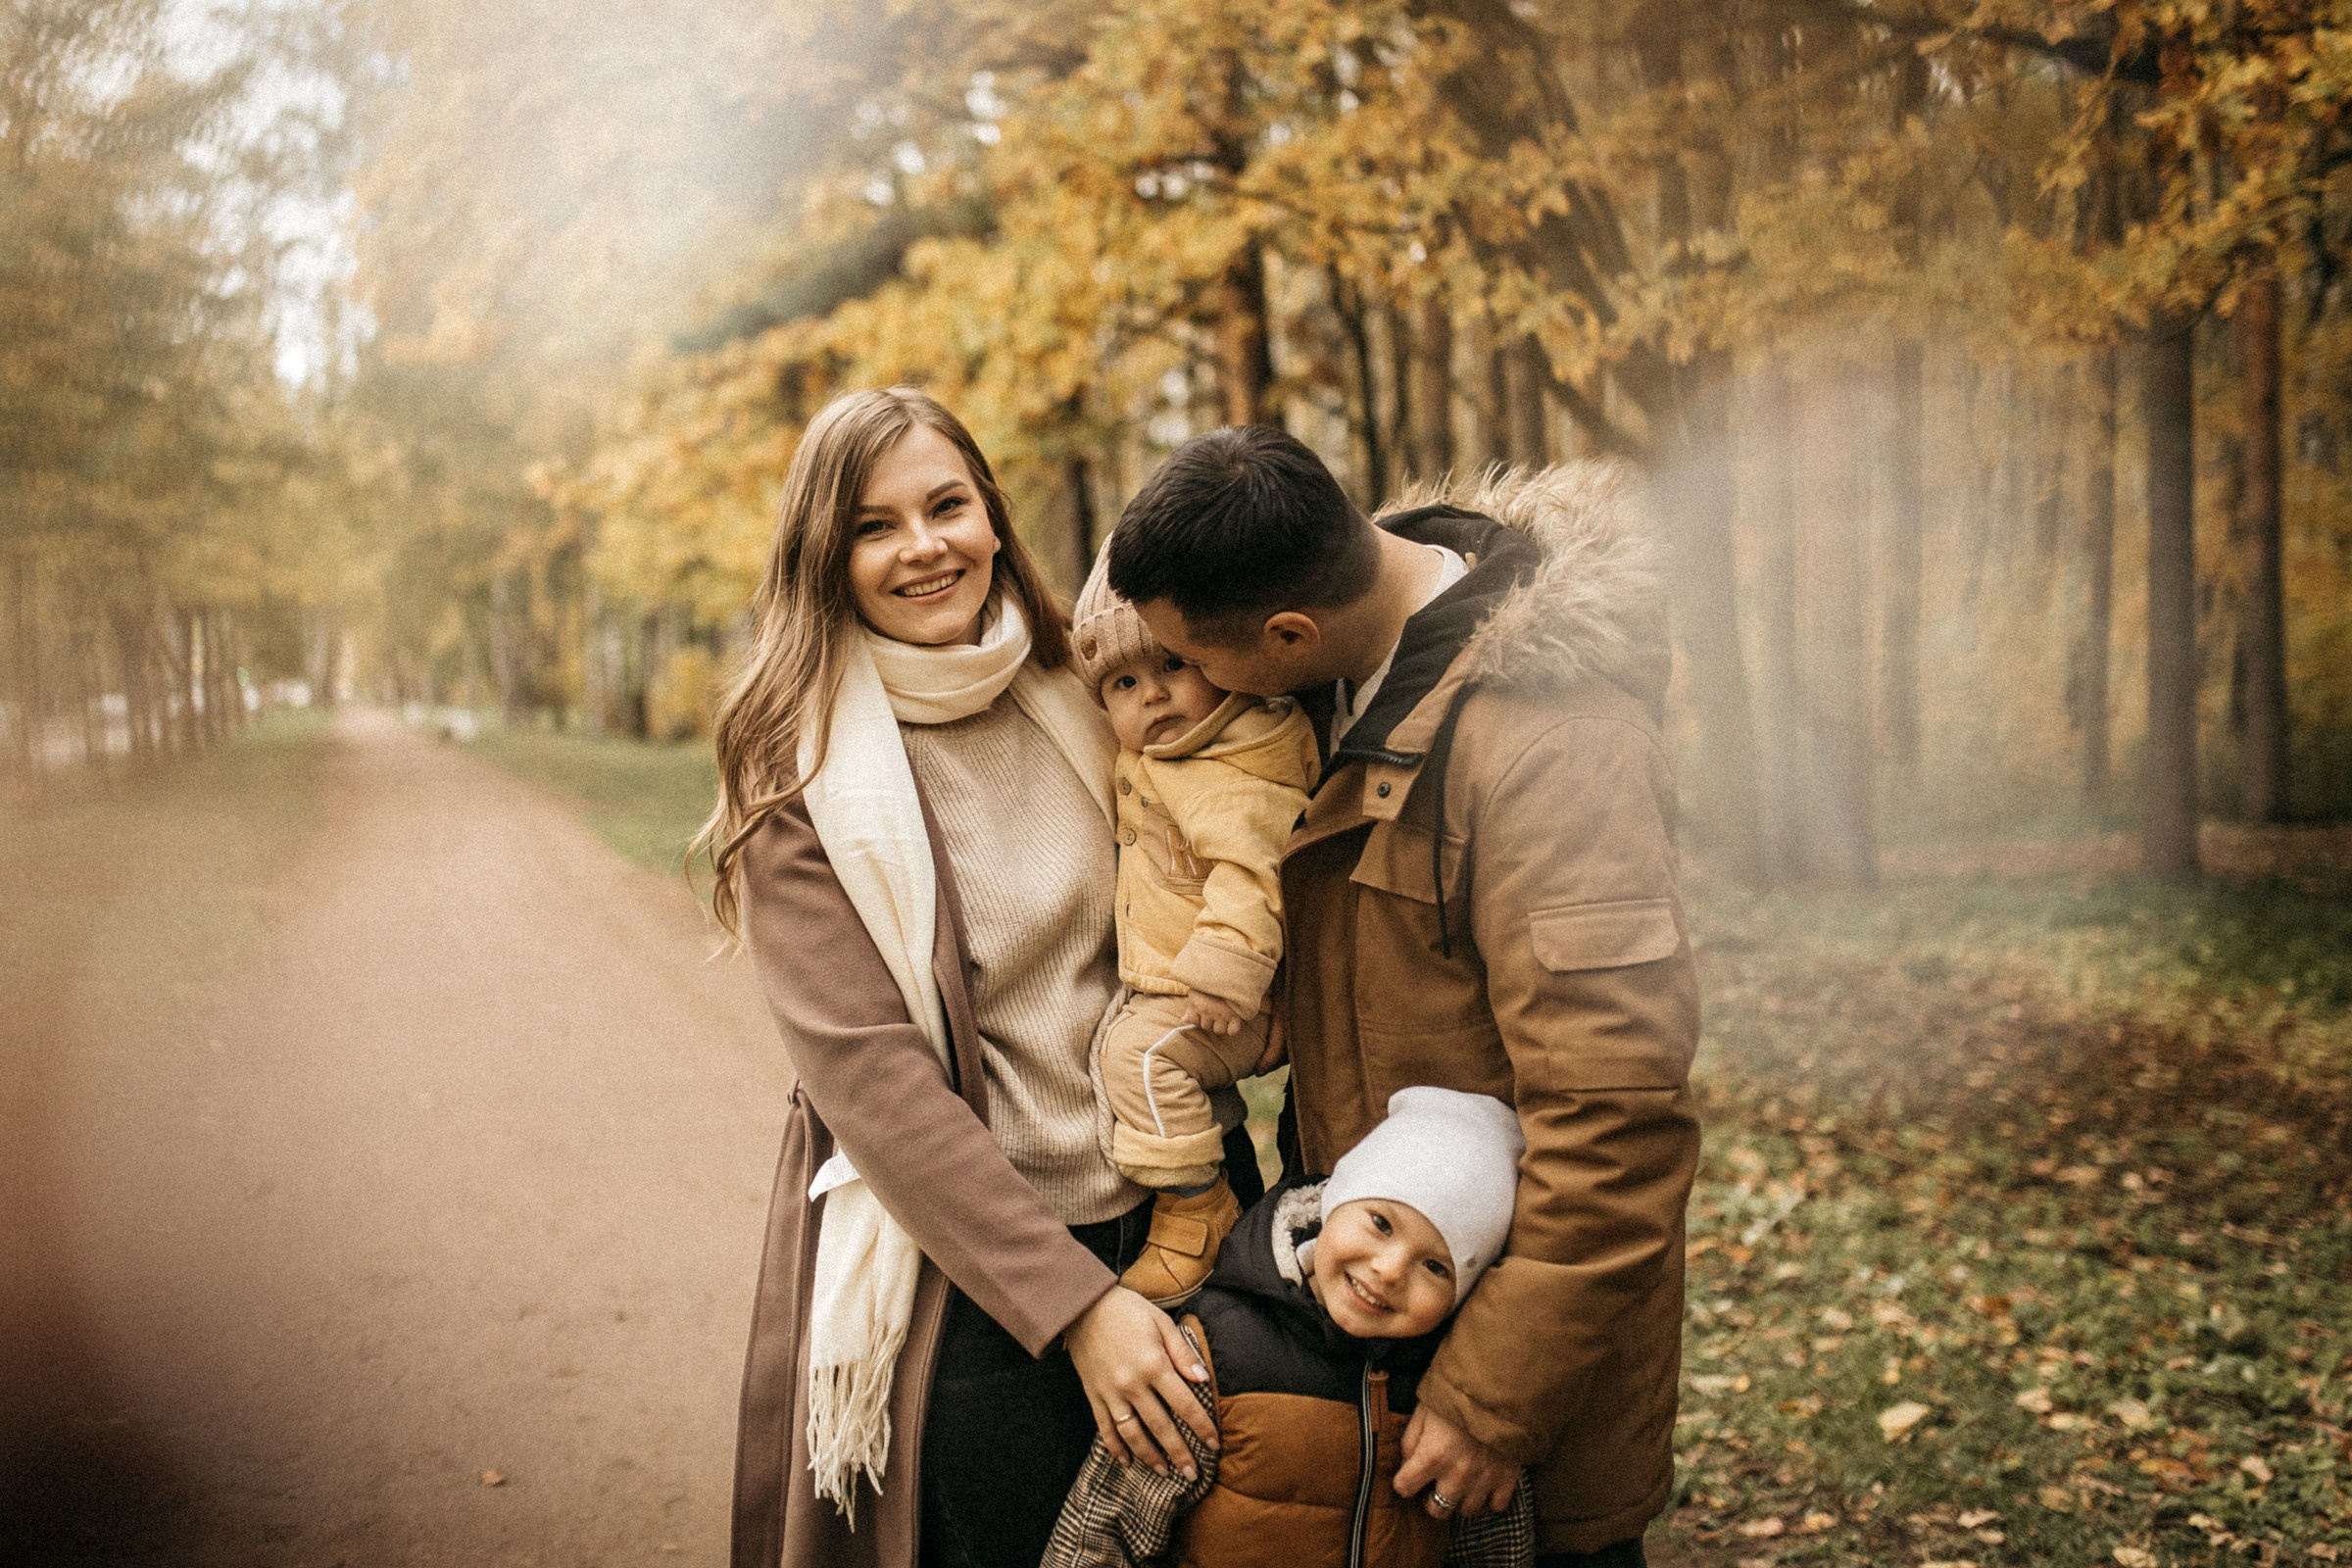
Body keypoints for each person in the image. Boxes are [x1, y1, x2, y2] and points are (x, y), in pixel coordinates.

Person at [1105, 429, 1702, 1568]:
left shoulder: (1557, 747)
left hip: (1510, 1394)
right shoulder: (1344, 676)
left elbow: (1616, 1112)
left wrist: (1493, 1396)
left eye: (1197, 662)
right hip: (1377, 1337)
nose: (1194, 691)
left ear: (1286, 634)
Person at [703, 387, 1247, 1568]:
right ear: (826, 556)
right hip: (974, 1283)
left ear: (993, 517)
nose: (924, 546)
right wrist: (1076, 1307)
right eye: (874, 525)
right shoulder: (796, 767)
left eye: (947, 504)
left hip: (1177, 1214)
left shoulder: (1084, 690)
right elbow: (876, 1086)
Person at [1042, 1087, 1538, 1568]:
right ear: (1334, 1200)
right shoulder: (1216, 1351)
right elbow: (1103, 1529)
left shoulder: (1458, 1396)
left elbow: (1494, 1547)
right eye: (1381, 1223)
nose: (1389, 1270)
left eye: (1435, 1267)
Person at [1067, 550, 1318, 1305]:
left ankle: (1195, 1208)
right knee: (1137, 1052)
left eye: (1174, 664)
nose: (1154, 695)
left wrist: (1227, 974)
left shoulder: (1228, 763)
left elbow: (1253, 869)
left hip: (1225, 995)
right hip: (1185, 988)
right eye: (1124, 684)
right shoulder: (1167, 755)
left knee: (1137, 1063)